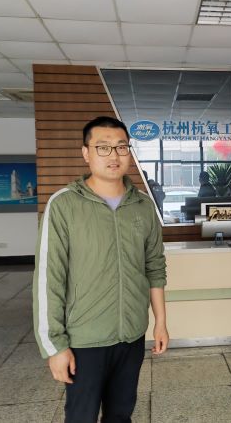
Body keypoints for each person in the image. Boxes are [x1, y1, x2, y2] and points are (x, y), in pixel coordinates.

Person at [33, 116, 169, 423]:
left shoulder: (143, 205)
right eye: (103, 147)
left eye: (121, 147)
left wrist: (160, 322)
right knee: (81, 417)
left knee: (120, 415)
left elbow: (154, 267)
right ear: (86, 153)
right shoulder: (64, 205)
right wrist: (55, 346)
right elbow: (48, 279)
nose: (114, 155)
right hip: (84, 339)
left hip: (131, 335)